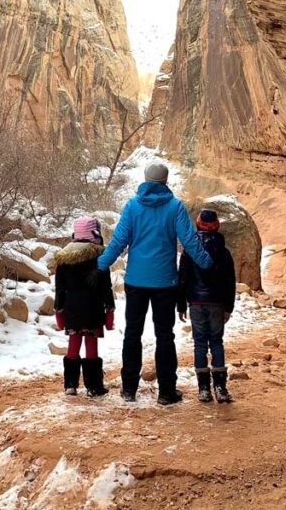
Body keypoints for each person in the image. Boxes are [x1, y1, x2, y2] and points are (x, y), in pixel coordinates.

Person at [97, 161, 213, 405]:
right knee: (164, 336)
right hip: (164, 282)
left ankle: (128, 389)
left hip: (136, 281)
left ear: (146, 179)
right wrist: (207, 263)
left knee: (132, 333)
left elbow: (119, 241)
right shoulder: (175, 207)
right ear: (165, 181)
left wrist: (101, 264)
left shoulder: (132, 206)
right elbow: (190, 242)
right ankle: (166, 392)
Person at [178, 208, 237, 403]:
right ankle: (220, 387)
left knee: (200, 344)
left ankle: (203, 389)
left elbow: (183, 280)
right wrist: (229, 307)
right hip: (217, 303)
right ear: (217, 225)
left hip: (196, 302)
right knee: (217, 342)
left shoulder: (189, 250)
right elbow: (230, 282)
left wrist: (181, 305)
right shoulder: (224, 251)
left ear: (198, 224)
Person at [53, 215, 115, 397]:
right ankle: (94, 386)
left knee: (73, 342)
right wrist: (110, 309)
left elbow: (60, 288)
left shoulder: (63, 258)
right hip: (93, 308)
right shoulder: (99, 256)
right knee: (90, 343)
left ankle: (70, 385)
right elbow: (106, 286)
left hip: (71, 308)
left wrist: (59, 310)